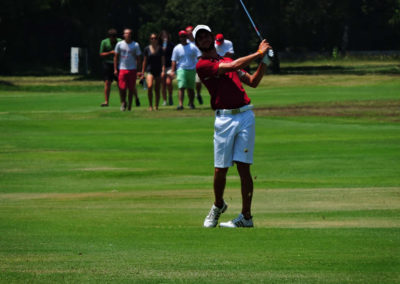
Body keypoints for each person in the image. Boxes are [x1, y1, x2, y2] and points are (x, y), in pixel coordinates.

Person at [193, 25, 271, 228]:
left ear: (211, 37)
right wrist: (258, 52)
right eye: (199, 38)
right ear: (197, 43)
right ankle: (218, 205)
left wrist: (265, 61)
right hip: (224, 120)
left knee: (244, 168)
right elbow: (234, 66)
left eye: (205, 36)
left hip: (245, 115)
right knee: (221, 169)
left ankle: (246, 216)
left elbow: (253, 82)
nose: (203, 39)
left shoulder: (229, 61)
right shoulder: (202, 65)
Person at [170, 30, 201, 110]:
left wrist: (200, 67)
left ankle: (191, 103)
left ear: (186, 37)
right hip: (181, 69)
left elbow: (199, 56)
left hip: (191, 69)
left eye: (184, 36)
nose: (183, 38)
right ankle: (180, 104)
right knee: (181, 87)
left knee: (191, 88)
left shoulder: (192, 47)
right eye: (181, 36)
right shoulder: (177, 48)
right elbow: (173, 60)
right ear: (179, 38)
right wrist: (173, 71)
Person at [114, 28, 142, 111]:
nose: (127, 35)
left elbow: (138, 57)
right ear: (123, 35)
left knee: (131, 88)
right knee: (122, 88)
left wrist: (138, 70)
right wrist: (115, 69)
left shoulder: (135, 45)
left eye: (129, 33)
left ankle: (129, 105)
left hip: (132, 69)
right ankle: (123, 102)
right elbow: (116, 57)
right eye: (126, 33)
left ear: (131, 35)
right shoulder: (119, 44)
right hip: (122, 68)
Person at [141, 33, 165, 111]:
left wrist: (163, 71)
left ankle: (156, 105)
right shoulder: (146, 49)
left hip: (158, 71)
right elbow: (144, 61)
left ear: (157, 40)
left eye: (155, 38)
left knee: (157, 89)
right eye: (152, 38)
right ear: (150, 40)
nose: (153, 40)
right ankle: (150, 105)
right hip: (149, 70)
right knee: (150, 86)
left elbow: (163, 62)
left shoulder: (161, 49)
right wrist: (142, 72)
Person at [99, 28, 121, 107]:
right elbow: (101, 54)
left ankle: (123, 101)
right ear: (109, 37)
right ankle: (106, 101)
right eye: (111, 37)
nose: (113, 39)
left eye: (114, 37)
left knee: (120, 83)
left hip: (118, 64)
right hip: (107, 64)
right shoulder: (104, 42)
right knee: (107, 83)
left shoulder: (120, 41)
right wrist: (110, 52)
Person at [186, 25, 203, 105]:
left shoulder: (199, 41)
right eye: (188, 32)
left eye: (191, 31)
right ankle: (190, 101)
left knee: (198, 82)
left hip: (198, 65)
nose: (189, 33)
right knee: (189, 86)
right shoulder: (185, 42)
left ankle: (198, 94)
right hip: (189, 66)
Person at [160, 30, 174, 106]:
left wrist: (173, 69)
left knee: (168, 83)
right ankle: (165, 100)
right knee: (163, 84)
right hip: (161, 66)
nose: (164, 37)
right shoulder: (159, 45)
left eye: (166, 36)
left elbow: (174, 57)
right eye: (163, 36)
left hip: (169, 66)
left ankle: (170, 96)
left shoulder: (171, 45)